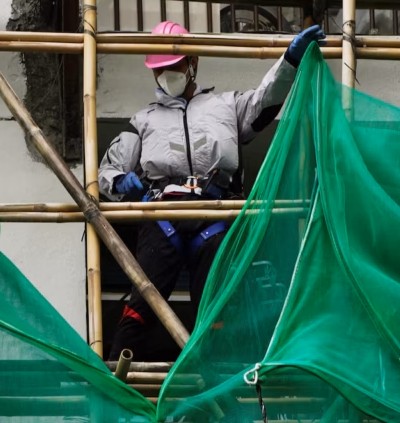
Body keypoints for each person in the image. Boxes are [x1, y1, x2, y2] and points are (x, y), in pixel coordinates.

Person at [99, 21, 325, 360]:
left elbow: (265, 100)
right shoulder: (143, 121)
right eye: (158, 70)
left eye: (173, 66)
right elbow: (107, 170)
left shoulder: (226, 107)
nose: (165, 75)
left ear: (193, 63)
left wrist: (289, 61)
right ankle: (118, 379)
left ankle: (215, 380)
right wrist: (119, 182)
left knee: (217, 303)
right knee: (143, 300)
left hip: (215, 212)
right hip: (163, 216)